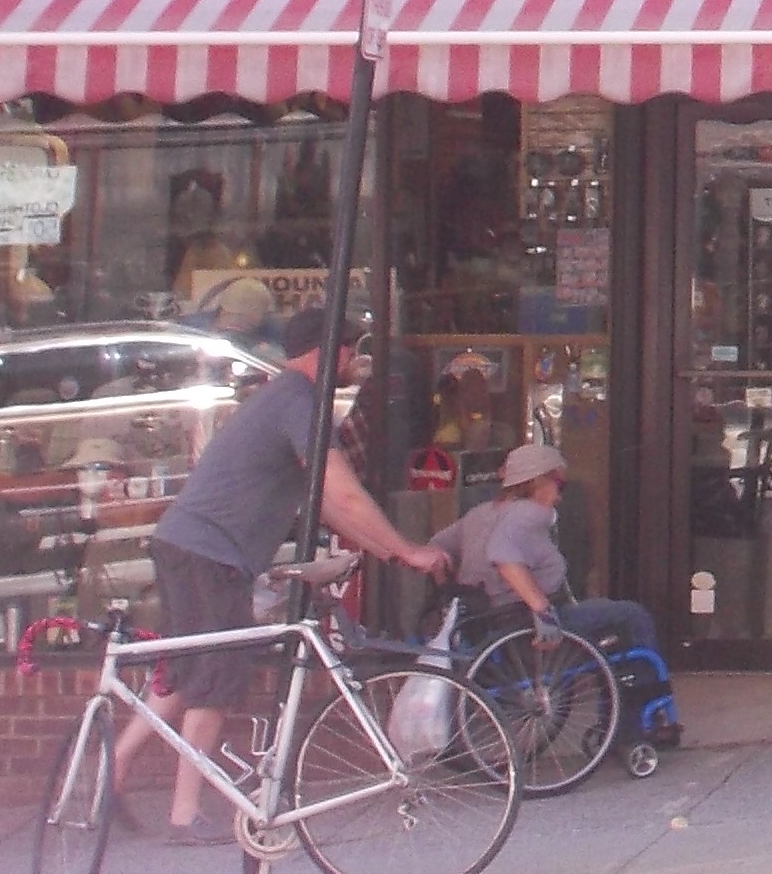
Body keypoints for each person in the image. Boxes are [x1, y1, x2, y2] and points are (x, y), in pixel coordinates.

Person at [116, 308, 450, 844]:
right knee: (216, 676)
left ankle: (115, 768)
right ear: (326, 351)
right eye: (350, 348)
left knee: (188, 667)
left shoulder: (284, 399)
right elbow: (341, 493)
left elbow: (328, 504)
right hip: (211, 552)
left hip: (188, 543)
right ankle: (185, 815)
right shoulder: (301, 403)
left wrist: (386, 550)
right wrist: (406, 550)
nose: (355, 359)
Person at [432, 438, 657, 658]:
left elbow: (435, 550)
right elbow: (502, 554)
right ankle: (646, 690)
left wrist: (450, 594)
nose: (559, 497)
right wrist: (543, 612)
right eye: (560, 485)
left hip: (484, 624)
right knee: (633, 615)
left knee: (603, 606)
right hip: (523, 621)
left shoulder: (479, 513)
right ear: (541, 481)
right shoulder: (529, 511)